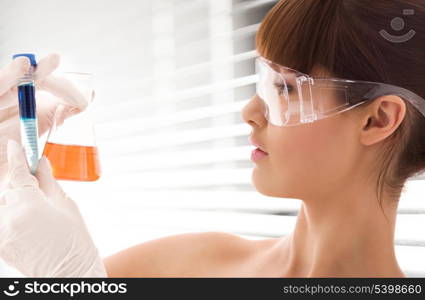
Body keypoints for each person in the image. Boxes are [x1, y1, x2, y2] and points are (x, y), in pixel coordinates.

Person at [1, 0, 424, 277]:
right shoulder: (188, 263)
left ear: (377, 120)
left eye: (287, 89)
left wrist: (70, 277)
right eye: (263, 81)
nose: (250, 113)